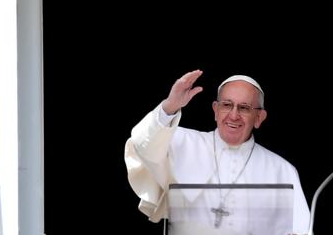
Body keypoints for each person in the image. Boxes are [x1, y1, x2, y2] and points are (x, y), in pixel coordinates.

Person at [125, 70, 310, 234]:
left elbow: (302, 230)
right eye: (227, 105)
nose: (234, 115)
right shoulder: (181, 142)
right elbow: (142, 144)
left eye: (244, 108)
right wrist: (170, 105)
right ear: (215, 110)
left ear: (259, 118)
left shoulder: (282, 171)